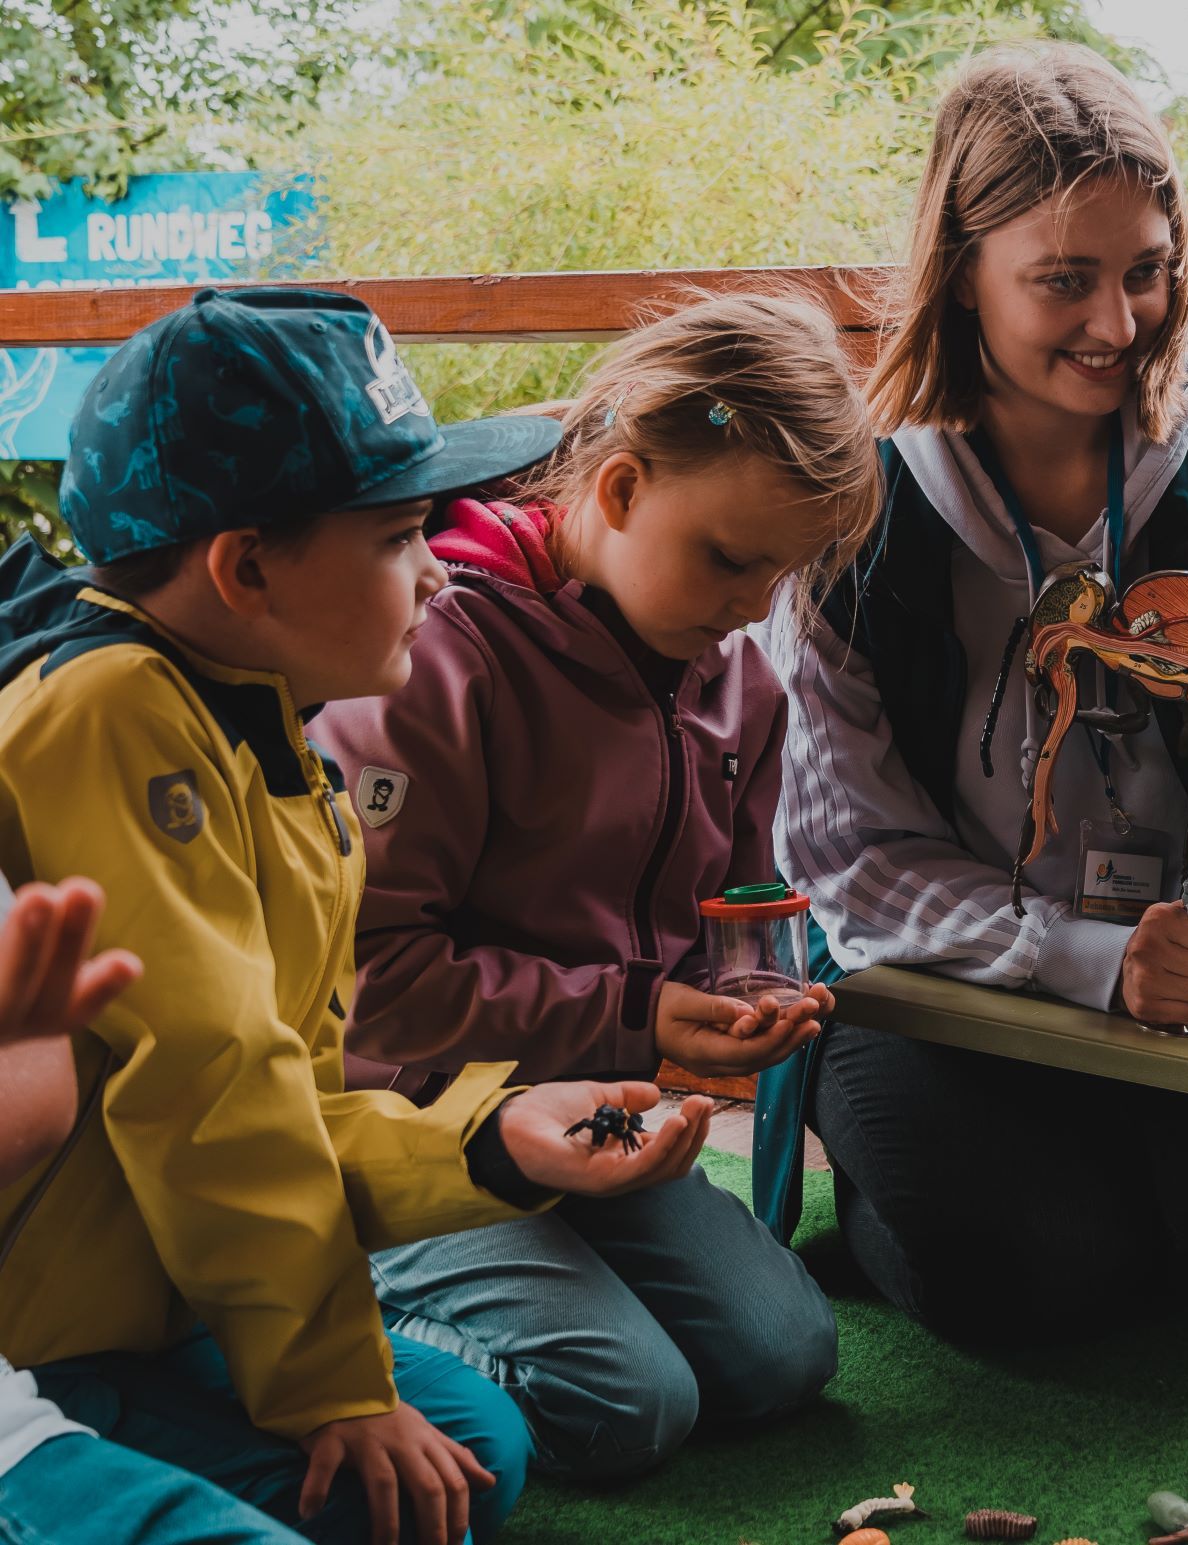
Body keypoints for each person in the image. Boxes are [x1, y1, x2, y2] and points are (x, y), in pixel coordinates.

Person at [0, 286, 721, 1545]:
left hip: (162, 1304)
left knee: (474, 1456)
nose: (439, 568)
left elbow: (289, 1087)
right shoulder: (116, 715)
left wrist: (487, 1141)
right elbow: (213, 1094)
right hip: (51, 1337)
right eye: (396, 538)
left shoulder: (256, 718)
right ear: (245, 566)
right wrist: (334, 1389)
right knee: (416, 1482)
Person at [763, 42, 1188, 1342]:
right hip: (943, 972)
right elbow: (850, 862)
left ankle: (1102, 1182)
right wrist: (1091, 961)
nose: (1118, 326)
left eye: (1146, 272)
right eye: (1062, 281)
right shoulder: (852, 500)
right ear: (959, 273)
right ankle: (973, 1196)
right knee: (1034, 1281)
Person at [314, 290, 876, 1478]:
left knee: (783, 1357)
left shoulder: (739, 688)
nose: (757, 608)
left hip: (596, 1113)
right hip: (414, 1123)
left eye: (785, 571)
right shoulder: (432, 662)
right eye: (731, 560)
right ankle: (309, 1293)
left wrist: (733, 1008)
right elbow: (368, 983)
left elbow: (712, 930)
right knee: (629, 1403)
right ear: (618, 491)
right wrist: (634, 1010)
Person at [0, 872, 307, 1544]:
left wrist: (489, 1139)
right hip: (40, 1391)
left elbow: (37, 1100)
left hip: (88, 1357)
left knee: (431, 1489)